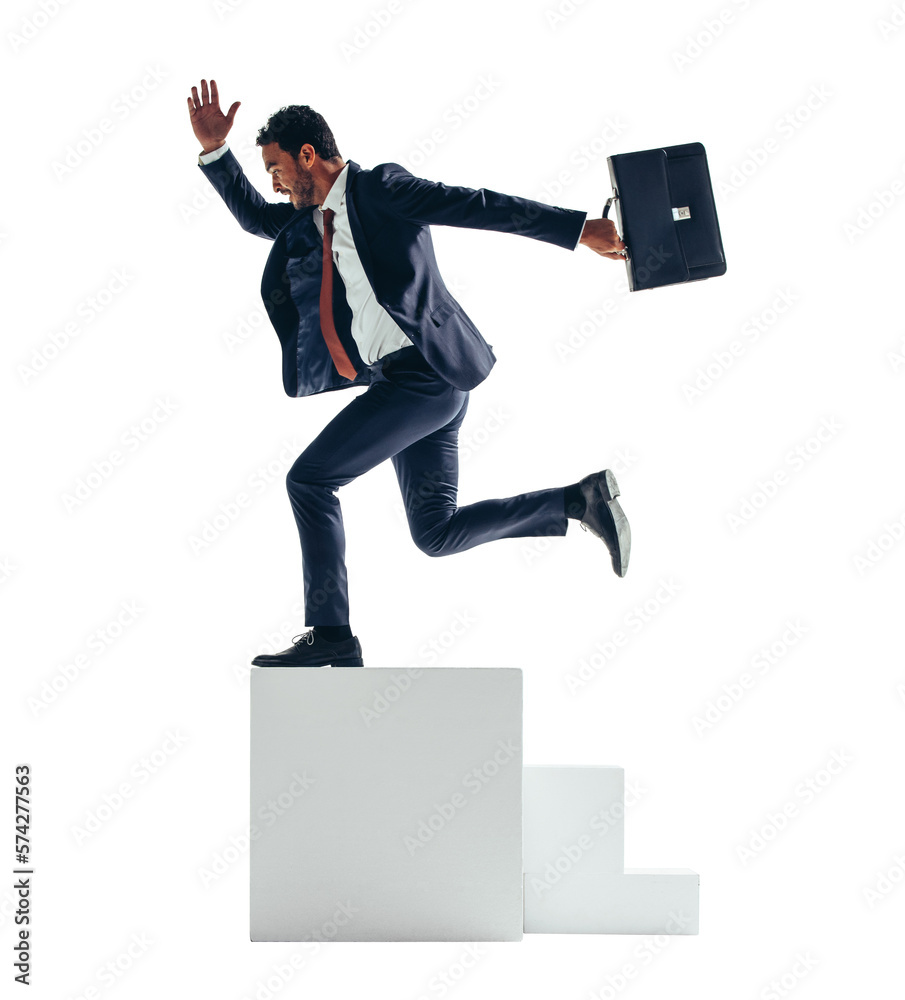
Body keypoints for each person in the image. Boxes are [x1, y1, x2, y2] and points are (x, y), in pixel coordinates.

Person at [187, 78, 631, 669]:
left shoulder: (381, 190)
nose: (273, 180)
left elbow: (478, 205)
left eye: (274, 166)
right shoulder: (314, 217)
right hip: (408, 384)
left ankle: (332, 639)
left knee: (310, 482)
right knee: (435, 533)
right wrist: (215, 151)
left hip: (424, 374)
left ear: (307, 156)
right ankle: (578, 502)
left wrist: (579, 230)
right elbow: (252, 217)